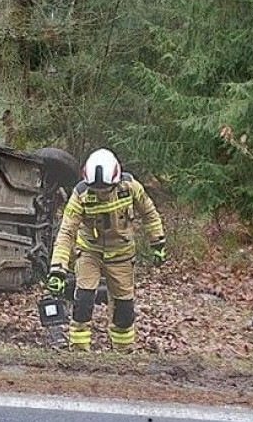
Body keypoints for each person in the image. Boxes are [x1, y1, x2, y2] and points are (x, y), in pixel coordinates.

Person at [46, 148, 165, 352]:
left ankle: (122, 352)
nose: (101, 193)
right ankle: (79, 350)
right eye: (96, 189)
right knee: (83, 300)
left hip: (122, 254)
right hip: (90, 252)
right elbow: (66, 232)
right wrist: (58, 268)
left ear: (115, 181)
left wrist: (158, 242)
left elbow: (149, 214)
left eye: (105, 189)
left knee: (124, 309)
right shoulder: (81, 194)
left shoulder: (131, 187)